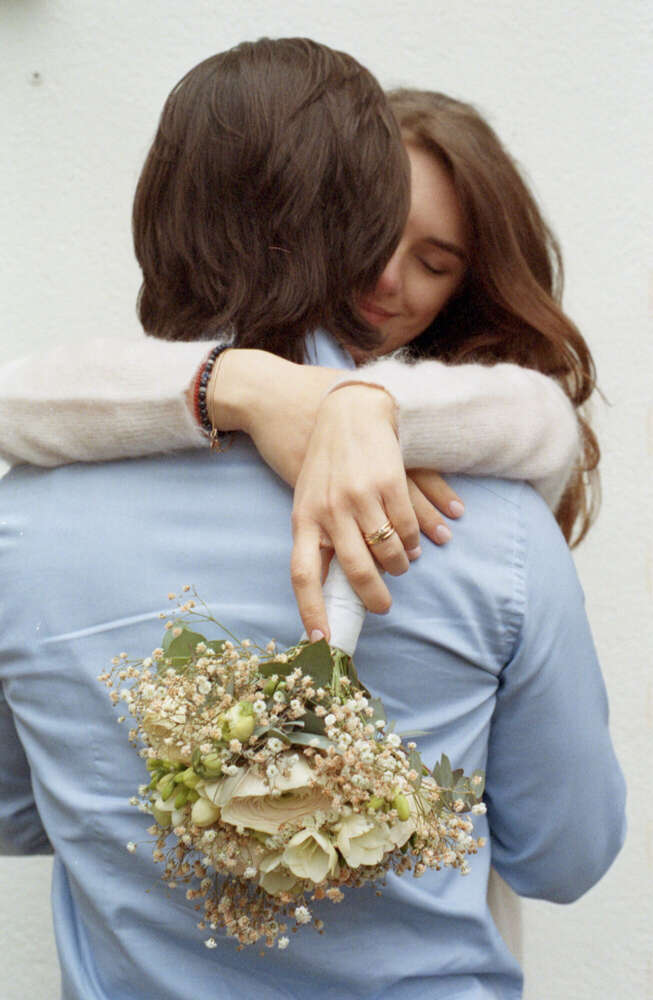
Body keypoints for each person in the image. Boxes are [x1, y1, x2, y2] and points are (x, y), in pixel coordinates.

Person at [0, 37, 624, 1000]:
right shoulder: (491, 526)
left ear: (151, 215)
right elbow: (565, 856)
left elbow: (12, 808)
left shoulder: (23, 523)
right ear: (366, 221)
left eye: (439, 263)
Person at [0, 92, 597, 639]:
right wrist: (244, 386)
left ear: (467, 290)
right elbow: (18, 401)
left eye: (433, 265)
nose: (387, 277)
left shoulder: (501, 449)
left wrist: (367, 407)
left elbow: (544, 420)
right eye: (373, 234)